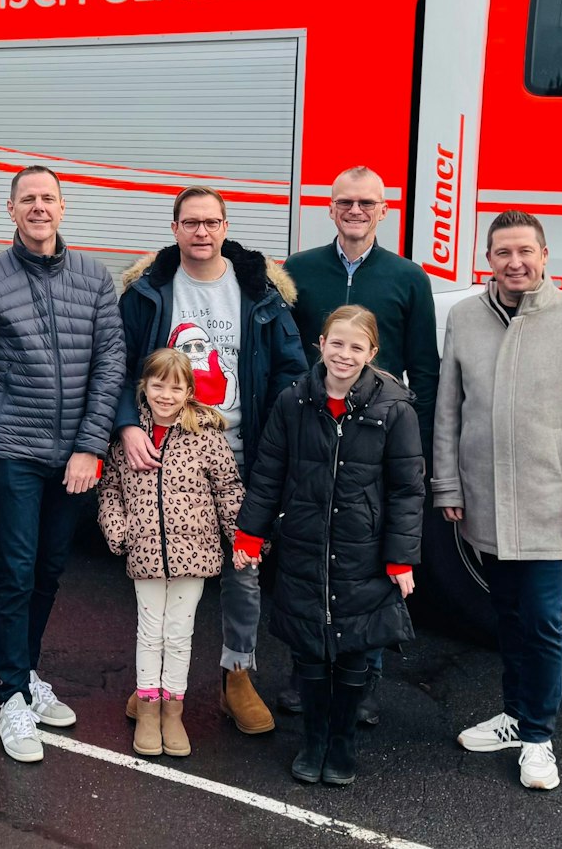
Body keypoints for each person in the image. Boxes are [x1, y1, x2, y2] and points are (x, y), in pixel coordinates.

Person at [431, 211, 562, 792]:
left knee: (541, 621)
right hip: (485, 501)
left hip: (551, 502)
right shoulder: (465, 318)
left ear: (544, 256)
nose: (515, 263)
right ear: (488, 259)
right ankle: (515, 716)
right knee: (508, 615)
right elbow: (448, 409)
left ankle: (538, 737)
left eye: (525, 251)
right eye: (502, 253)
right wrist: (448, 484)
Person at [0, 165, 125, 764]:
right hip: (12, 453)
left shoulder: (96, 280)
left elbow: (108, 369)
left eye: (48, 198)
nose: (39, 207)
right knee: (17, 572)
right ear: (11, 210)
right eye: (28, 199)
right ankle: (10, 696)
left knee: (50, 569)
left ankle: (27, 672)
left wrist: (90, 447)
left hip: (73, 457)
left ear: (63, 208)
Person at [112, 186, 305, 735]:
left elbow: (291, 367)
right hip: (164, 452)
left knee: (243, 569)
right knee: (164, 570)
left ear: (225, 227)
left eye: (212, 222)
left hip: (242, 451)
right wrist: (128, 425)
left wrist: (278, 442)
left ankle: (236, 674)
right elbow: (118, 365)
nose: (202, 232)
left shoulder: (257, 291)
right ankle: (152, 682)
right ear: (174, 228)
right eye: (191, 222)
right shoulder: (148, 292)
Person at [234, 306, 424, 787]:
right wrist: (250, 534)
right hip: (304, 543)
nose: (345, 354)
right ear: (320, 343)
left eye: (356, 347)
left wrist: (400, 556)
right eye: (337, 343)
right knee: (311, 651)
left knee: (355, 649)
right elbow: (269, 471)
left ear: (372, 353)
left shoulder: (394, 409)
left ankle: (342, 742)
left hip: (364, 549)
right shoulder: (293, 401)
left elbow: (407, 488)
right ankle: (313, 740)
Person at [282, 165, 438, 722]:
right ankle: (306, 678)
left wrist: (417, 447)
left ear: (384, 210)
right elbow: (282, 350)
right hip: (311, 435)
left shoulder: (408, 278)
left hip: (376, 442)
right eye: (345, 202)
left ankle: (362, 683)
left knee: (366, 565)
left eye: (366, 203)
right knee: (309, 559)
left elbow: (425, 367)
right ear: (330, 208)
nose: (355, 211)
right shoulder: (297, 272)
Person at [98, 348, 242, 759]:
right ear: (144, 387)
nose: (165, 394)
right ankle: (147, 708)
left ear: (189, 391)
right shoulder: (130, 438)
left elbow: (228, 490)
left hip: (193, 553)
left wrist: (246, 540)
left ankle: (172, 710)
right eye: (157, 384)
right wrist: (119, 531)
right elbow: (109, 488)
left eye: (175, 386)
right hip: (144, 552)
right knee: (150, 630)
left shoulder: (207, 438)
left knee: (179, 633)